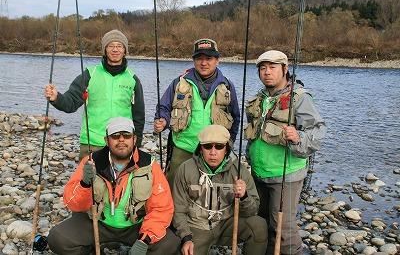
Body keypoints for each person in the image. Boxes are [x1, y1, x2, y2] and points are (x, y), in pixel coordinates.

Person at [47, 117, 180, 255]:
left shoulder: (149, 165)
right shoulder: (91, 162)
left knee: (171, 243)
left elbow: (162, 208)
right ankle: (94, 250)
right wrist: (85, 183)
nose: (121, 140)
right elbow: (73, 204)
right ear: (107, 140)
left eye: (126, 135)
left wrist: (144, 240)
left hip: (135, 226)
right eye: (115, 136)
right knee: (58, 239)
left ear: (134, 139)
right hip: (97, 224)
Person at [245, 50, 327, 254]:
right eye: (262, 68)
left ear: (285, 69)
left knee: (283, 227)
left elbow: (318, 131)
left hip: (286, 176)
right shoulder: (260, 98)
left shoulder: (299, 98)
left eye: (272, 67)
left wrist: (299, 137)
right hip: (259, 172)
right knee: (262, 221)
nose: (267, 72)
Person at [44, 29, 145, 160]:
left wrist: (136, 144)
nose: (115, 50)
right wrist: (56, 97)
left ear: (125, 51)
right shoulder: (89, 74)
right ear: (105, 49)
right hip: (92, 143)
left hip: (121, 144)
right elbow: (71, 103)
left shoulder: (133, 79)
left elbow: (139, 116)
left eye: (119, 46)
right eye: (111, 46)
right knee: (87, 180)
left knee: (121, 180)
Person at [154, 38, 240, 186]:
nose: (204, 63)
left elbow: (236, 117)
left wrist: (228, 144)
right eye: (199, 58)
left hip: (214, 150)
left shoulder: (227, 86)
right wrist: (162, 119)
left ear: (217, 61)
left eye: (209, 58)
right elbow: (164, 107)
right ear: (193, 60)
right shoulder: (178, 82)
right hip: (183, 147)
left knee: (210, 192)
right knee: (175, 188)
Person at [172, 124, 268, 255]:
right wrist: (186, 237)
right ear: (200, 149)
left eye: (219, 147)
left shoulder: (239, 171)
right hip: (196, 228)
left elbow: (252, 211)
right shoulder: (185, 170)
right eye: (207, 146)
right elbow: (178, 210)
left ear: (226, 149)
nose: (213, 152)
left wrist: (244, 196)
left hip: (227, 225)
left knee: (259, 226)